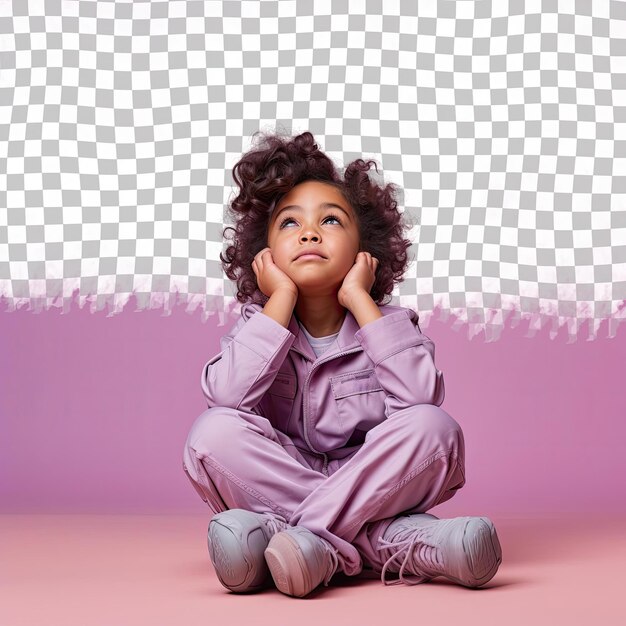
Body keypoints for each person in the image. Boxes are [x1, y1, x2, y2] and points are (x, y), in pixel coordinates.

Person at [182, 130, 502, 598]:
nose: (309, 232)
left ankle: (301, 542)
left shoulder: (388, 324)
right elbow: (226, 399)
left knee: (435, 428)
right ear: (264, 254)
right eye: (290, 224)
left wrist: (360, 301)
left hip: (376, 478)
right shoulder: (259, 324)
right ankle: (387, 543)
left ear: (364, 248)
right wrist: (282, 300)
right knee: (211, 434)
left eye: (330, 220)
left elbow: (419, 400)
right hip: (286, 473)